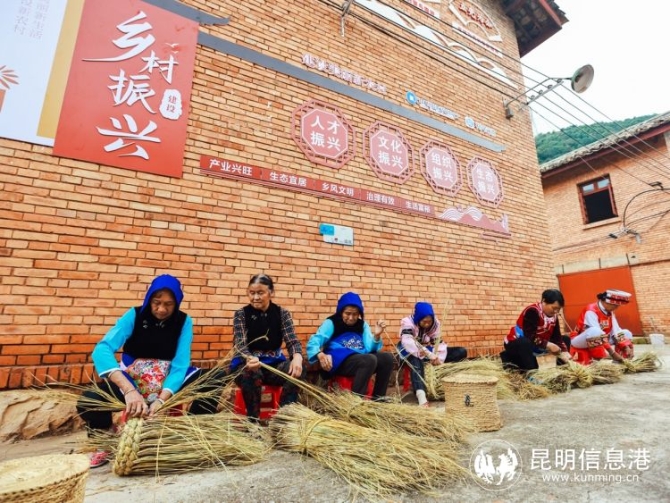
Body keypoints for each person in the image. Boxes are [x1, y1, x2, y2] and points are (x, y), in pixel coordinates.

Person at [77, 274, 227, 468]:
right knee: (89, 400)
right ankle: (105, 438)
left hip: (168, 380)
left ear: (177, 303)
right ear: (149, 298)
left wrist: (161, 400)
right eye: (156, 302)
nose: (161, 309)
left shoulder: (184, 321)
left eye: (168, 304)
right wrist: (129, 390)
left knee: (215, 378)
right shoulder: (134, 315)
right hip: (133, 379)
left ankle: (194, 433)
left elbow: (180, 365)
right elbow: (102, 349)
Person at [229, 274, 305, 422]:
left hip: (273, 365)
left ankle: (282, 418)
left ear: (271, 293)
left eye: (260, 293)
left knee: (297, 370)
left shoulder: (282, 314)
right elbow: (240, 344)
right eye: (252, 293)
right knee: (252, 374)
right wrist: (249, 358)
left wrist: (297, 357)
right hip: (247, 365)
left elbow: (292, 341)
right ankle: (253, 422)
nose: (255, 297)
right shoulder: (241, 314)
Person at [307, 292, 393, 401]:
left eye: (355, 314)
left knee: (387, 358)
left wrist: (376, 336)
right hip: (339, 362)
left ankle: (378, 400)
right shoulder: (331, 323)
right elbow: (314, 341)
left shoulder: (362, 325)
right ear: (341, 311)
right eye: (347, 313)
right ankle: (356, 402)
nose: (351, 318)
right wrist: (320, 355)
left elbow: (369, 348)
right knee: (368, 360)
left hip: (359, 358)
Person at [397, 302, 467, 407]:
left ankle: (451, 383)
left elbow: (438, 343)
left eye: (429, 322)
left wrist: (438, 358)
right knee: (415, 359)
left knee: (461, 351)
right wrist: (429, 355)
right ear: (418, 318)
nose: (427, 324)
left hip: (428, 351)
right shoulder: (408, 322)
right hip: (409, 350)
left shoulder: (435, 324)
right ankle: (421, 395)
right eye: (424, 322)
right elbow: (408, 342)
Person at [500, 289, 571, 372]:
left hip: (537, 345)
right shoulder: (533, 311)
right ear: (544, 301)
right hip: (518, 343)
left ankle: (560, 369)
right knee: (525, 342)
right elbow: (530, 336)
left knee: (565, 339)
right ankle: (531, 372)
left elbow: (557, 337)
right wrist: (548, 344)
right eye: (554, 308)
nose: (556, 311)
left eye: (558, 309)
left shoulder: (554, 317)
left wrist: (564, 352)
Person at [570, 289, 634, 365]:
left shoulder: (610, 312)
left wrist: (626, 347)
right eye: (615, 305)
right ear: (605, 301)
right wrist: (612, 353)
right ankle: (598, 360)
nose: (616, 308)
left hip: (602, 338)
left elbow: (616, 331)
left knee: (626, 333)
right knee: (595, 331)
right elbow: (597, 335)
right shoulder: (591, 310)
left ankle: (623, 361)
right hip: (581, 340)